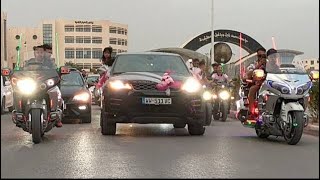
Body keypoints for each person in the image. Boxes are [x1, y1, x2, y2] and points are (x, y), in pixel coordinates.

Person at [246, 47, 267, 119]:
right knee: (252, 90)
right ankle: (251, 111)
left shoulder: (270, 64)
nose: (261, 57)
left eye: (263, 56)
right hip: (259, 84)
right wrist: (259, 65)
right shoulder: (253, 64)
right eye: (259, 56)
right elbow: (249, 74)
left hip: (270, 84)